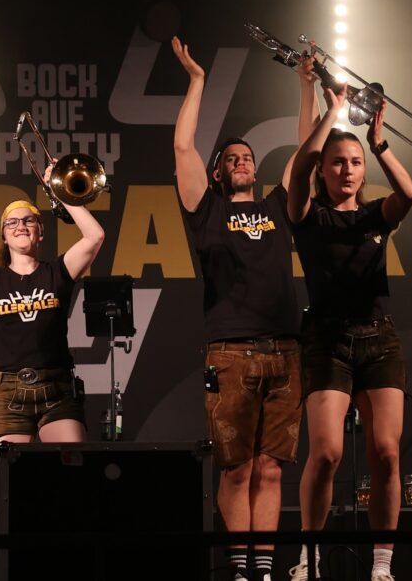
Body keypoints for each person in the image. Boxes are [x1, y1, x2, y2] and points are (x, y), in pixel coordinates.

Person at [172, 36, 308, 581]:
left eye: (248, 157)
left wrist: (307, 87)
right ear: (218, 174)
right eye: (231, 159)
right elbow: (183, 149)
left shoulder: (277, 206)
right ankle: (239, 569)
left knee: (271, 471)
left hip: (286, 351)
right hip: (230, 352)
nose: (243, 162)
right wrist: (197, 81)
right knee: (236, 470)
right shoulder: (206, 212)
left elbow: (307, 154)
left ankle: (264, 569)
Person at [288, 60, 412, 581]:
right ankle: (308, 558)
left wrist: (379, 144)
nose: (347, 170)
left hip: (379, 340)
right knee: (326, 454)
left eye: (355, 163)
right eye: (338, 163)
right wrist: (334, 110)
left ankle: (382, 564)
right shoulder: (307, 216)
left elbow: (408, 195)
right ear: (323, 170)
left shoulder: (373, 214)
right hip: (327, 342)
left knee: (386, 453)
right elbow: (300, 166)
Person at [0, 157, 104, 453]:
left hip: (57, 388)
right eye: (12, 222)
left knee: (73, 466)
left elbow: (95, 236)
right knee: (12, 475)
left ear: (40, 230)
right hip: (7, 390)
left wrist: (60, 190)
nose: (21, 226)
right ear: (3, 235)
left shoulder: (58, 272)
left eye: (29, 220)